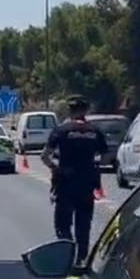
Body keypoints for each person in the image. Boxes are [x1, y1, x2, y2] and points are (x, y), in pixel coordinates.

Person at [42, 95, 108, 266]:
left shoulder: (61, 130)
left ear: (70, 111)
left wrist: (55, 167)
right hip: (86, 185)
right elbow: (104, 156)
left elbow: (45, 156)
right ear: (86, 111)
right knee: (83, 225)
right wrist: (93, 167)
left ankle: (68, 257)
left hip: (65, 184)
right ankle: (81, 259)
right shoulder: (95, 131)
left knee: (63, 225)